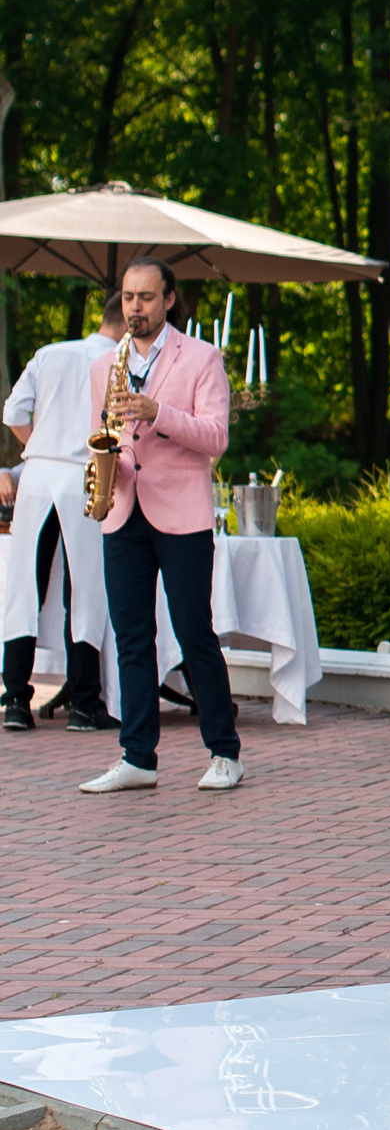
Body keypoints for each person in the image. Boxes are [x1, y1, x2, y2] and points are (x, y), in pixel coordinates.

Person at [78, 258, 243, 794]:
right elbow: (109, 436)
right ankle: (137, 757)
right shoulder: (105, 365)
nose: (135, 308)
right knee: (131, 637)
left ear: (169, 300)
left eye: (146, 298)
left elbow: (216, 437)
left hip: (182, 515)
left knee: (195, 632)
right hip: (123, 509)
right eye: (128, 297)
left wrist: (156, 412)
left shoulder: (202, 357)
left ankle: (224, 752)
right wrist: (105, 469)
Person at [1, 300, 122, 731]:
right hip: (85, 476)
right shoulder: (118, 363)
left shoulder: (49, 352)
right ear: (123, 322)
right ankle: (86, 703)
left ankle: (15, 700)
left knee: (23, 587)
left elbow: (12, 413)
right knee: (85, 589)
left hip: (37, 475)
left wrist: (39, 445)